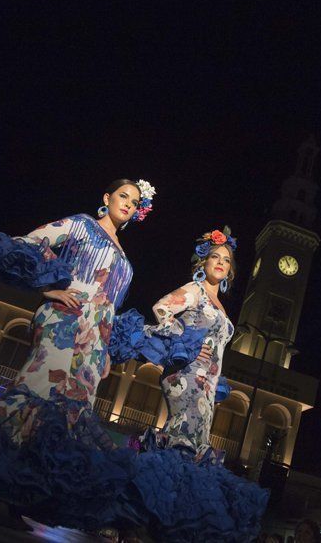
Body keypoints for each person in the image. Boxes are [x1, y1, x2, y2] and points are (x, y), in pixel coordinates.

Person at [0, 179, 155, 530]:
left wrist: (106, 352)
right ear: (107, 197)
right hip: (64, 321)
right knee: (37, 399)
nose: (128, 205)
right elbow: (28, 243)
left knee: (68, 417)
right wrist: (48, 289)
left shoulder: (126, 261)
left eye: (135, 202)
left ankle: (21, 496)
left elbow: (113, 308)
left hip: (94, 343)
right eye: (123, 196)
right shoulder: (81, 225)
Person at [109, 227, 269, 542]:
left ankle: (155, 523)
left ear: (230, 270)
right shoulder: (195, 290)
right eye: (215, 257)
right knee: (181, 443)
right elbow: (161, 308)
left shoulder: (219, 304)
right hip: (187, 375)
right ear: (203, 263)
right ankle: (138, 520)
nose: (221, 262)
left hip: (206, 384)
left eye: (226, 259)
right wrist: (184, 341)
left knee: (191, 446)